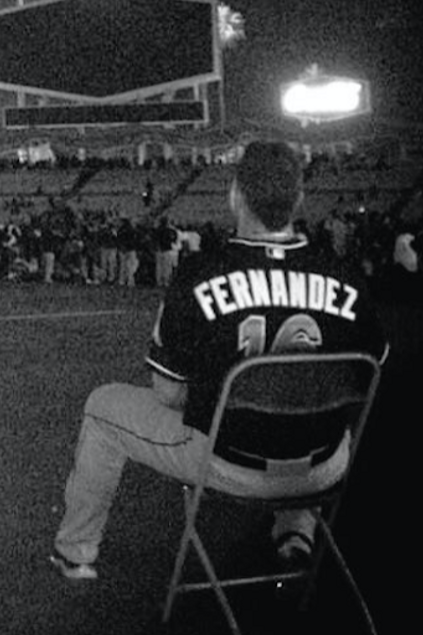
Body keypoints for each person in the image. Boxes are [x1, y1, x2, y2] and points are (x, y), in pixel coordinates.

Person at [49, 140, 389, 581]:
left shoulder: (201, 273)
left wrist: (218, 392)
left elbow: (168, 393)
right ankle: (295, 531)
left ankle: (75, 552)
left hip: (231, 461)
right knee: (309, 395)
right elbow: (371, 374)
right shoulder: (343, 273)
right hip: (324, 467)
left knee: (102, 408)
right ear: (300, 198)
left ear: (235, 195)